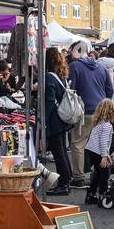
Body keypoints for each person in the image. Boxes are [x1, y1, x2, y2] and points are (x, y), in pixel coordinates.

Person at [66, 40, 113, 185]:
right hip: (101, 111)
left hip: (83, 111)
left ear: (77, 51)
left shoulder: (75, 66)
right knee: (99, 143)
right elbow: (109, 90)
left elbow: (72, 90)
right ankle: (98, 174)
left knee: (78, 144)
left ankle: (79, 177)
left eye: (72, 51)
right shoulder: (101, 67)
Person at [41, 46, 74, 196]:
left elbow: (49, 101)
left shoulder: (49, 77)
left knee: (58, 152)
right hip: (61, 118)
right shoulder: (60, 76)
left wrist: (43, 121)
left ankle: (63, 182)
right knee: (62, 151)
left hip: (54, 120)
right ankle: (67, 178)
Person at [84, 99, 114, 207]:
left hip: (91, 150)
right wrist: (104, 156)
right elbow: (103, 142)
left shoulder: (99, 123)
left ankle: (91, 194)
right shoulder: (107, 126)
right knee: (104, 174)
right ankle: (103, 196)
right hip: (98, 151)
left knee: (98, 172)